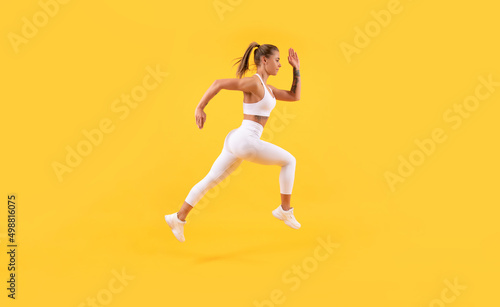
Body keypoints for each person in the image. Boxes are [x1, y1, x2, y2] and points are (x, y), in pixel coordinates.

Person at [164, 42, 302, 242]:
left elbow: (294, 96)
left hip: (237, 140)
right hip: (245, 141)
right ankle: (284, 210)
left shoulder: (268, 89)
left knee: (210, 180)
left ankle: (178, 218)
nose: (281, 64)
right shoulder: (254, 83)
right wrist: (200, 107)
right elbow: (218, 83)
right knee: (289, 161)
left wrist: (296, 69)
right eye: (278, 60)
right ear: (264, 60)